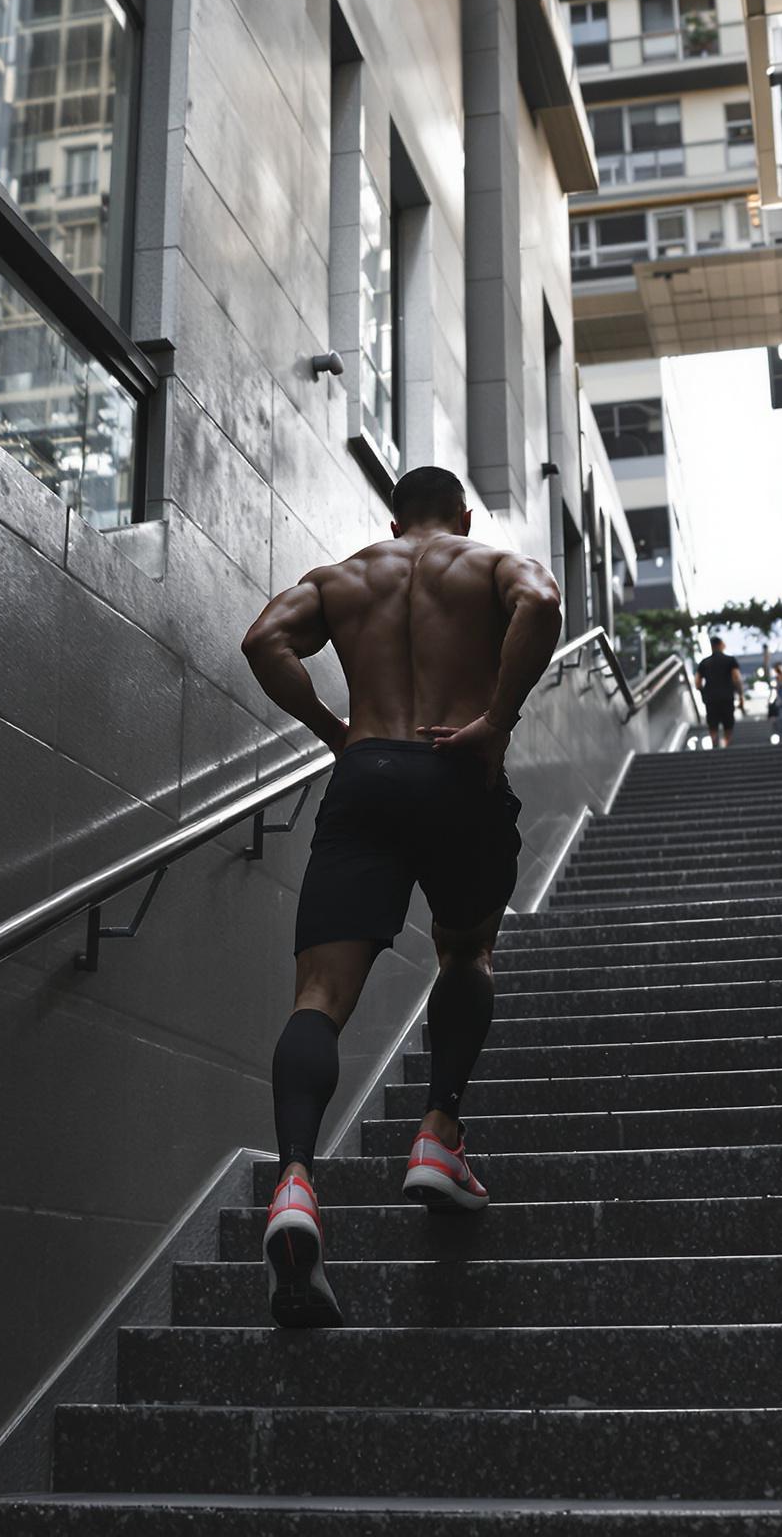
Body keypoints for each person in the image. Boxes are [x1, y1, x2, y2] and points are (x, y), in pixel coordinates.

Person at [239, 464, 565, 1328]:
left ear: (393, 519)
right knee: (464, 951)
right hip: (458, 770)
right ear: (460, 515)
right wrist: (496, 718)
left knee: (318, 998)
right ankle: (438, 1134)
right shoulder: (486, 563)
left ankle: (298, 1181)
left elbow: (261, 639)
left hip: (368, 774)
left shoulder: (345, 576)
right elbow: (544, 602)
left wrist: (332, 730)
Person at [695, 635, 742, 748]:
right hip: (727, 696)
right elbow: (736, 678)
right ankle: (726, 744)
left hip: (711, 698)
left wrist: (703, 692)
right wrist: (740, 695)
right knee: (728, 723)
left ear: (711, 646)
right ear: (721, 645)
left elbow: (697, 683)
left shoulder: (704, 663)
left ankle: (714, 742)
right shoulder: (730, 660)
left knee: (712, 723)